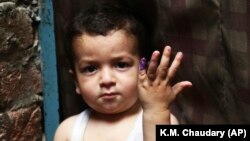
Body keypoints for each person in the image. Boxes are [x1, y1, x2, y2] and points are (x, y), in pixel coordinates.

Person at [54, 3, 192, 141]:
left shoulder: (163, 119)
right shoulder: (68, 131)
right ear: (76, 81)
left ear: (144, 71)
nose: (106, 80)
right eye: (90, 69)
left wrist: (156, 113)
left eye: (121, 65)